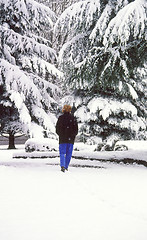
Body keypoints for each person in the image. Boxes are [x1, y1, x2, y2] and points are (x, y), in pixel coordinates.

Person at [56, 105, 78, 172]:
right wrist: (72, 135)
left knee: (62, 153)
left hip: (62, 139)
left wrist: (61, 134)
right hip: (70, 139)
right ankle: (66, 166)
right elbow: (76, 129)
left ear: (63, 110)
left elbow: (57, 129)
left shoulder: (60, 118)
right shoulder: (73, 118)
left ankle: (62, 166)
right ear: (70, 110)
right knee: (69, 153)